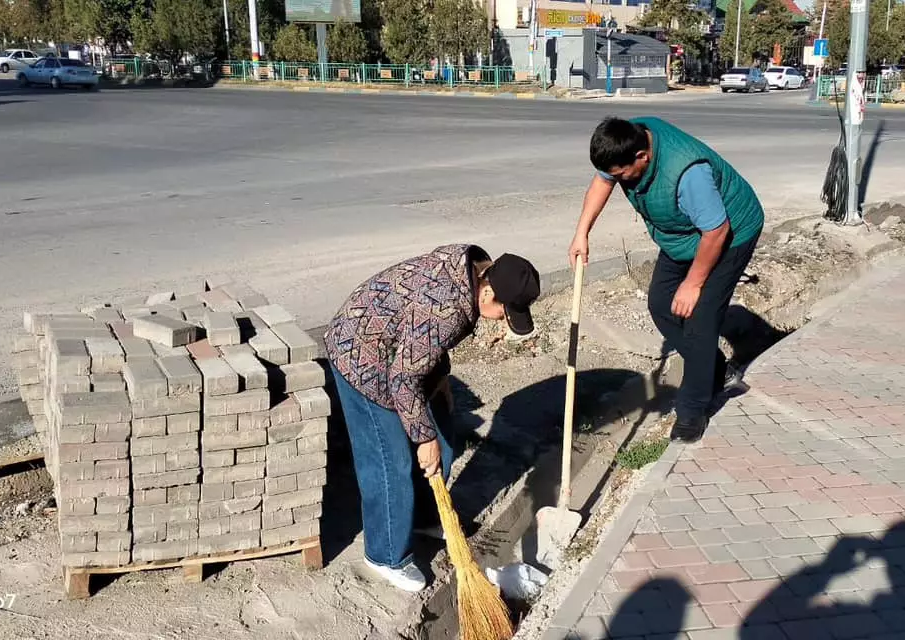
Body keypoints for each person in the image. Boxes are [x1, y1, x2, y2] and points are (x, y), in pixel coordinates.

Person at [324, 244, 541, 591]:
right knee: (390, 459)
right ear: (487, 291)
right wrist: (422, 440)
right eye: (504, 311)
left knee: (442, 433)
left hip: (398, 352)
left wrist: (440, 382)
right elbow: (403, 377)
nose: (502, 319)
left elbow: (425, 342)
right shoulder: (447, 307)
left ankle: (424, 516)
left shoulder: (473, 273)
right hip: (361, 352)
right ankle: (385, 555)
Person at [569, 116, 764, 443]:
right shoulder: (624, 142)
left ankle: (693, 409)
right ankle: (713, 366)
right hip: (684, 237)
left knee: (701, 317)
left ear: (642, 157)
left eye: (622, 174)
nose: (619, 181)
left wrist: (693, 283)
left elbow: (716, 232)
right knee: (661, 304)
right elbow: (603, 180)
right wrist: (581, 233)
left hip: (730, 234)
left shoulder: (688, 174)